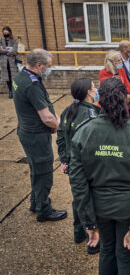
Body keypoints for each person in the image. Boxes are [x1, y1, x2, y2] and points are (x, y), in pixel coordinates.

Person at [70, 77, 130, 274]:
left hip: (99, 209)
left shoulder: (84, 133)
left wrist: (89, 222)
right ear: (126, 99)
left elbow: (78, 183)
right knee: (126, 256)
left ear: (100, 98)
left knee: (107, 253)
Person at [12, 48, 67, 222]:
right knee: (44, 172)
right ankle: (44, 210)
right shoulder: (32, 85)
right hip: (36, 136)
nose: (49, 69)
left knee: (35, 169)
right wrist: (62, 128)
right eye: (48, 66)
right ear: (38, 65)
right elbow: (46, 117)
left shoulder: (21, 76)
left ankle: (35, 201)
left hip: (26, 131)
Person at [56, 78, 101, 254]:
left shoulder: (68, 111)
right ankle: (93, 241)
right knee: (91, 200)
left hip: (73, 165)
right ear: (88, 93)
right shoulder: (92, 115)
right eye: (94, 87)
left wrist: (64, 160)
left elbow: (60, 136)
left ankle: (79, 233)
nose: (96, 89)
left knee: (79, 198)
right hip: (88, 167)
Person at [1, 26, 19, 98]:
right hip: (4, 62)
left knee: (13, 78)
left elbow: (14, 51)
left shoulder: (14, 40)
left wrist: (4, 50)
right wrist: (7, 51)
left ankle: (14, 91)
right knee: (7, 78)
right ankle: (10, 91)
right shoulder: (0, 40)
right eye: (4, 32)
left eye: (7, 32)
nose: (5, 33)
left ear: (10, 32)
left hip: (12, 62)